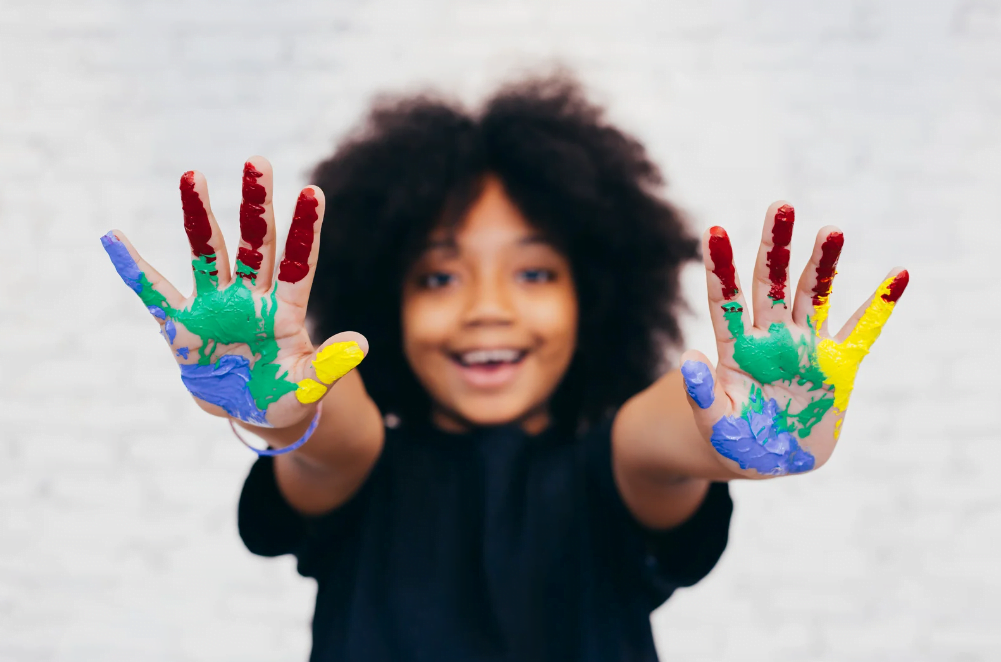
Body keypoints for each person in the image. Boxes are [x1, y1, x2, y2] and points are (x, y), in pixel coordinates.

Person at [100, 75, 908, 662]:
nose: (487, 307)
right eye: (438, 276)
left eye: (533, 273)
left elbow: (660, 434)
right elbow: (329, 433)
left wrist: (729, 434)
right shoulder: (364, 468)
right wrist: (279, 407)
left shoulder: (612, 465)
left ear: (594, 297)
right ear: (384, 299)